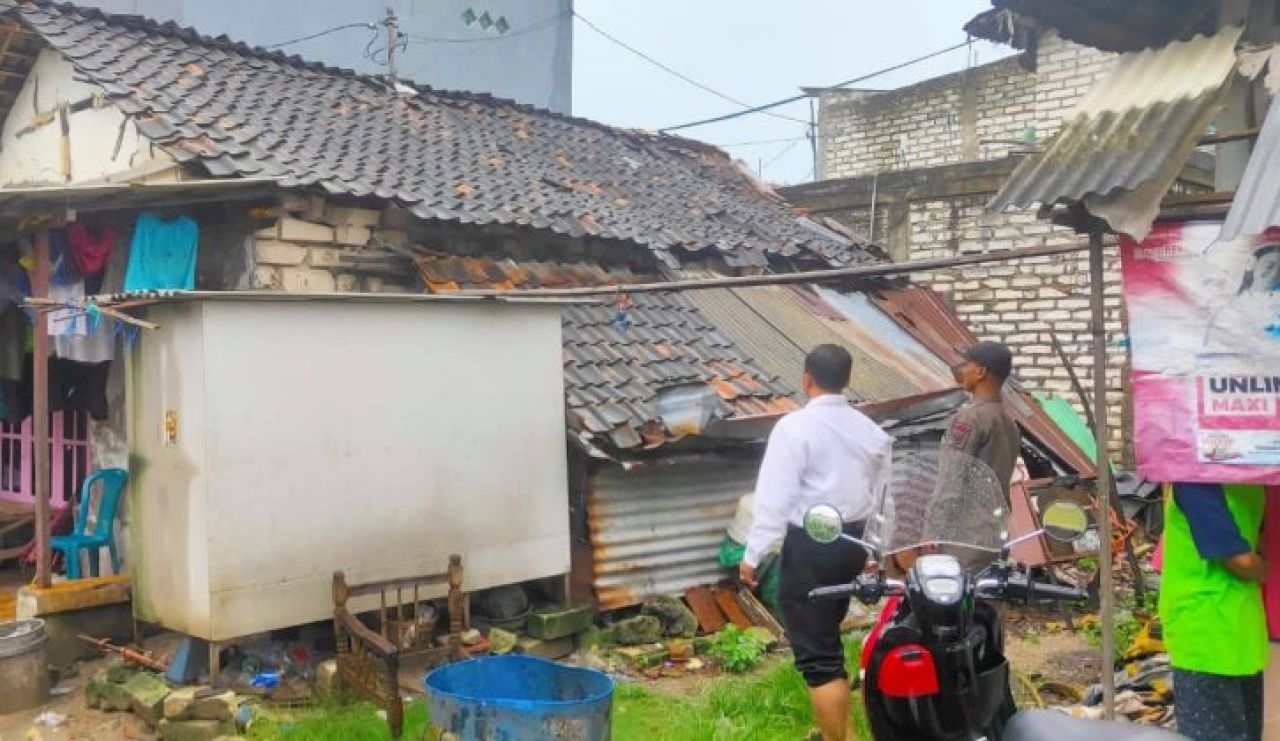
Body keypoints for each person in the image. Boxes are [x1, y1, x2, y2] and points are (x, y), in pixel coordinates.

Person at [739, 344, 892, 741]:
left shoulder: (794, 428)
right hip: (852, 544)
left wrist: (753, 554)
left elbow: (775, 498)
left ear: (807, 379)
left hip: (811, 547)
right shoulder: (871, 431)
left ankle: (837, 738)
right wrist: (875, 552)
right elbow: (883, 499)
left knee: (818, 658)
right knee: (826, 637)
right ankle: (843, 733)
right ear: (847, 380)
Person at [1160, 482, 1267, 741]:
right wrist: (1265, 569)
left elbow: (1239, 557)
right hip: (1233, 629)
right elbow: (1246, 554)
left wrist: (1264, 569)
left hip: (1207, 629)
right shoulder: (1252, 482)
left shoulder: (1195, 480)